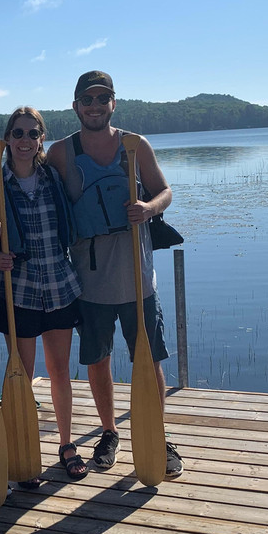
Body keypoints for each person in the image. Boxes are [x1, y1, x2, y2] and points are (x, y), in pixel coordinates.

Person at [46, 70, 184, 479]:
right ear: (75, 106)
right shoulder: (60, 153)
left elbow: (166, 192)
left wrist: (149, 208)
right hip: (90, 285)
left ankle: (155, 434)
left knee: (149, 358)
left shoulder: (135, 144)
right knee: (98, 360)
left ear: (113, 103)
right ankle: (109, 432)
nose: (94, 106)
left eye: (102, 98)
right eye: (86, 100)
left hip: (139, 278)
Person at [0, 107, 86, 482]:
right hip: (17, 291)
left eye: (33, 133)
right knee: (19, 375)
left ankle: (67, 445)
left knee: (59, 373)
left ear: (41, 139)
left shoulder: (52, 178)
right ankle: (22, 450)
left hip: (59, 287)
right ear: (8, 138)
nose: (25, 140)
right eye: (19, 133)